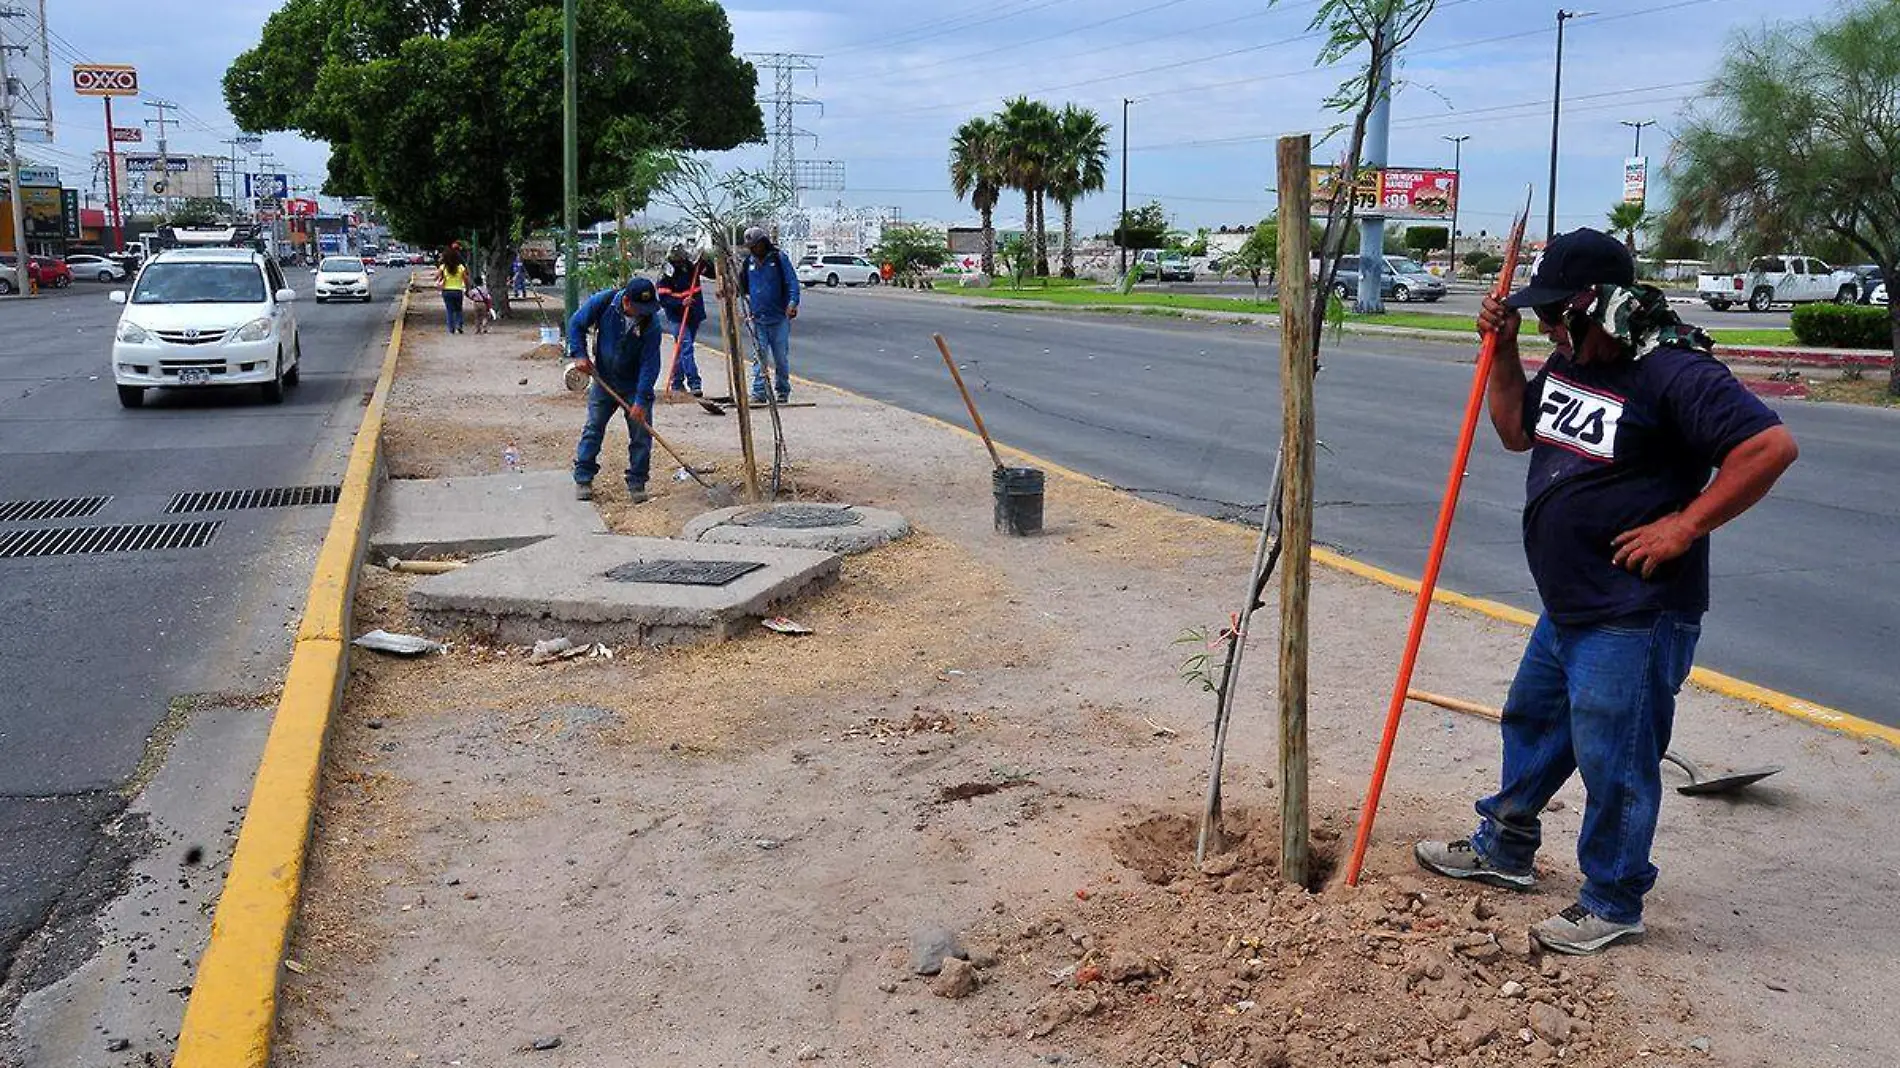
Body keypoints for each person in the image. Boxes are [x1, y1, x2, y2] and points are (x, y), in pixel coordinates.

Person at [1414, 229, 1798, 955]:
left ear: (1600, 306)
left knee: (1615, 758)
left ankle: (1613, 899)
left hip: (1636, 612)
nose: (1550, 329)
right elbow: (1514, 431)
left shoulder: (1673, 373)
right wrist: (1502, 350)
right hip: (1570, 603)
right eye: (1543, 318)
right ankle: (1506, 846)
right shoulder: (1569, 359)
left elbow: (1769, 447)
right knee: (1534, 721)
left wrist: (1682, 527)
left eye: (1557, 315)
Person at [565, 277, 665, 503]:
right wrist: (579, 354)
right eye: (639, 308)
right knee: (593, 427)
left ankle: (637, 482)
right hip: (604, 380)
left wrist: (641, 400)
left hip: (634, 384)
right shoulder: (604, 302)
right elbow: (576, 324)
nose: (643, 313)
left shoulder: (651, 324)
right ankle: (584, 478)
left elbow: (650, 364)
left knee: (641, 434)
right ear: (627, 301)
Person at [738, 226, 799, 404]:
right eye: (750, 247)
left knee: (780, 358)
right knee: (759, 356)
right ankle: (759, 391)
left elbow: (792, 282)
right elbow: (741, 288)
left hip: (779, 318)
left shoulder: (779, 259)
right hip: (757, 318)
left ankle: (782, 390)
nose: (753, 250)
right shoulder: (748, 263)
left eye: (755, 245)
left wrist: (793, 303)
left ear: (763, 243)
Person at [656, 245, 715, 396]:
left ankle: (676, 382)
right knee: (686, 347)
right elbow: (663, 299)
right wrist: (680, 303)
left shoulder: (692, 267)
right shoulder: (666, 273)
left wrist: (705, 261)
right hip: (677, 317)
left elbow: (713, 274)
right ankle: (694, 383)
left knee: (682, 350)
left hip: (694, 315)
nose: (681, 263)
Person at [436, 248, 470, 333]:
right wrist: (467, 289)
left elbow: (435, 277)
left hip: (447, 291)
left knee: (449, 310)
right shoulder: (460, 267)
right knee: (459, 309)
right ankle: (459, 325)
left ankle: (451, 328)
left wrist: (441, 277)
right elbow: (466, 279)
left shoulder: (443, 267)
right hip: (458, 290)